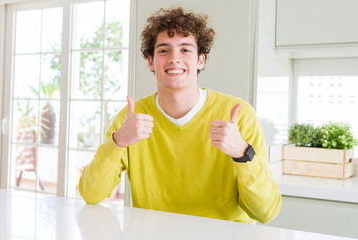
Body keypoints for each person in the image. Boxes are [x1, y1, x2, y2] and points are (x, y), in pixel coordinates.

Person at [78, 7, 281, 224]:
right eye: (164, 51)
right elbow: (91, 193)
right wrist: (118, 141)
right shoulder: (130, 119)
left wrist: (242, 153)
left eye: (185, 50)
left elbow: (266, 213)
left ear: (200, 60)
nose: (174, 59)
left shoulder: (239, 114)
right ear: (151, 62)